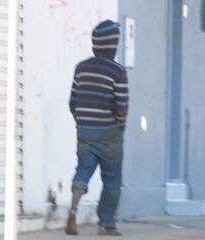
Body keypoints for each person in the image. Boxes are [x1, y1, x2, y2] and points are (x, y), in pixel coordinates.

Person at [65, 19, 129, 236]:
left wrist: (82, 122)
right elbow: (121, 105)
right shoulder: (118, 71)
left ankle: (73, 208)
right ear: (113, 46)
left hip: (85, 132)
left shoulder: (81, 68)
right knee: (112, 179)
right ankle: (106, 224)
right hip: (110, 133)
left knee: (83, 170)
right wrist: (120, 124)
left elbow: (72, 102)